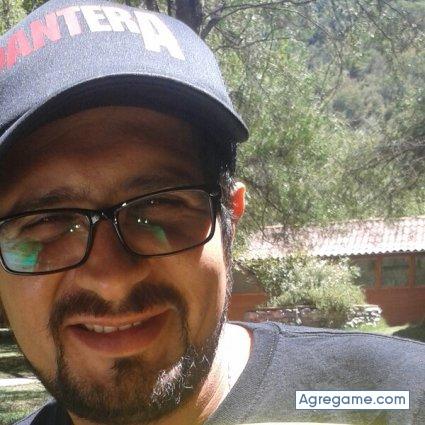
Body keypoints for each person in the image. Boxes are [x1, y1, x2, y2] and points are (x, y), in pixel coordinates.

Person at [0, 1, 424, 424]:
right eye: (47, 222)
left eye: (159, 205)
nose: (111, 281)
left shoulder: (396, 399)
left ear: (230, 219)